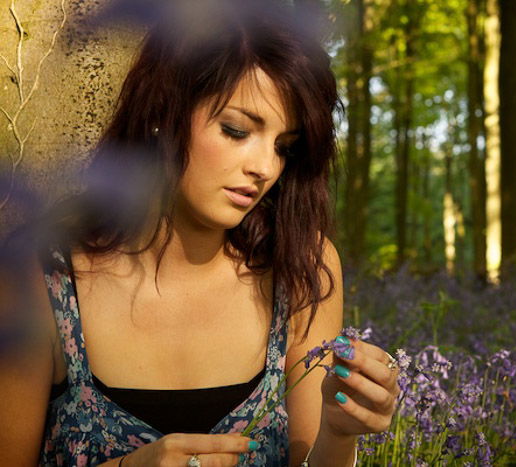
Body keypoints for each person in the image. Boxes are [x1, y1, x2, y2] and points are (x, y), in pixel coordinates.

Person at [0, 1, 399, 465]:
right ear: (163, 110)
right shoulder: (41, 275)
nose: (265, 167)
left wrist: (339, 432)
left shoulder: (301, 266)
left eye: (284, 148)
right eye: (236, 130)